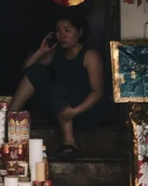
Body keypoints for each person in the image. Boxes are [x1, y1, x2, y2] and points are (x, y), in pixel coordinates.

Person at [9, 12, 108, 153]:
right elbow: (28, 71)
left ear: (80, 32)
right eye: (58, 30)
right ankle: (10, 117)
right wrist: (40, 52)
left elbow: (98, 92)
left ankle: (69, 141)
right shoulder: (57, 52)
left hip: (84, 112)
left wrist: (75, 111)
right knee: (39, 73)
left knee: (57, 88)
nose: (62, 35)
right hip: (61, 110)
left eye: (67, 30)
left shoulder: (90, 55)